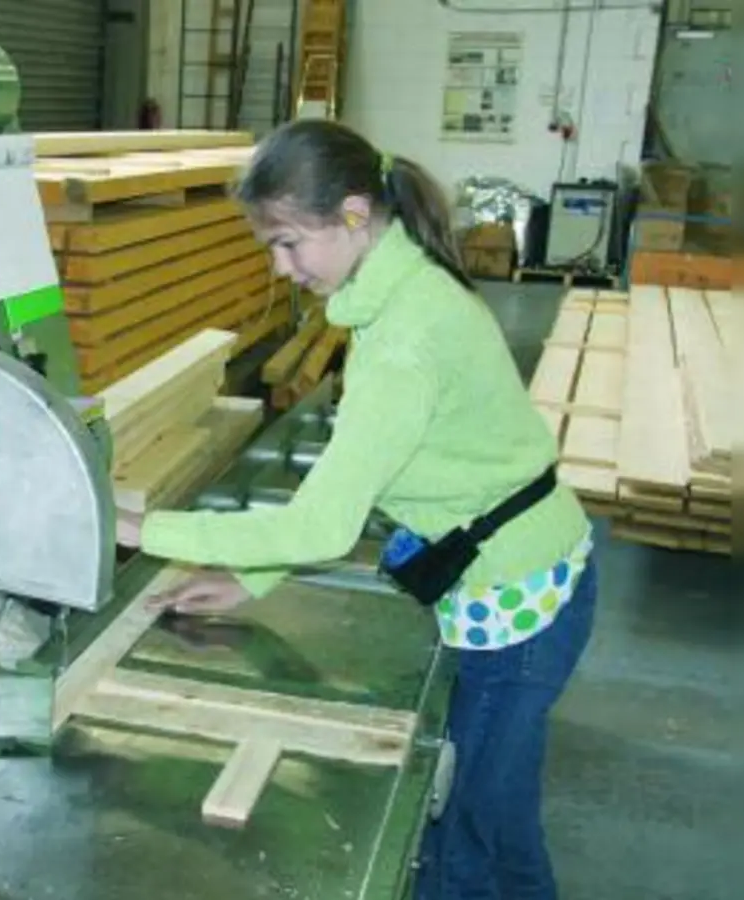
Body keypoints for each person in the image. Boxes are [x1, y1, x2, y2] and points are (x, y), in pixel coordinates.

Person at [113, 119, 598, 900]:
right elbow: (368, 482)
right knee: (484, 817)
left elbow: (323, 524)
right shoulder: (396, 291)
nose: (280, 267)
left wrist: (139, 527)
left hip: (523, 603)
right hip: (520, 578)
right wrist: (250, 579)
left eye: (288, 243)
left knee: (477, 832)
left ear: (350, 215)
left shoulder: (404, 336)